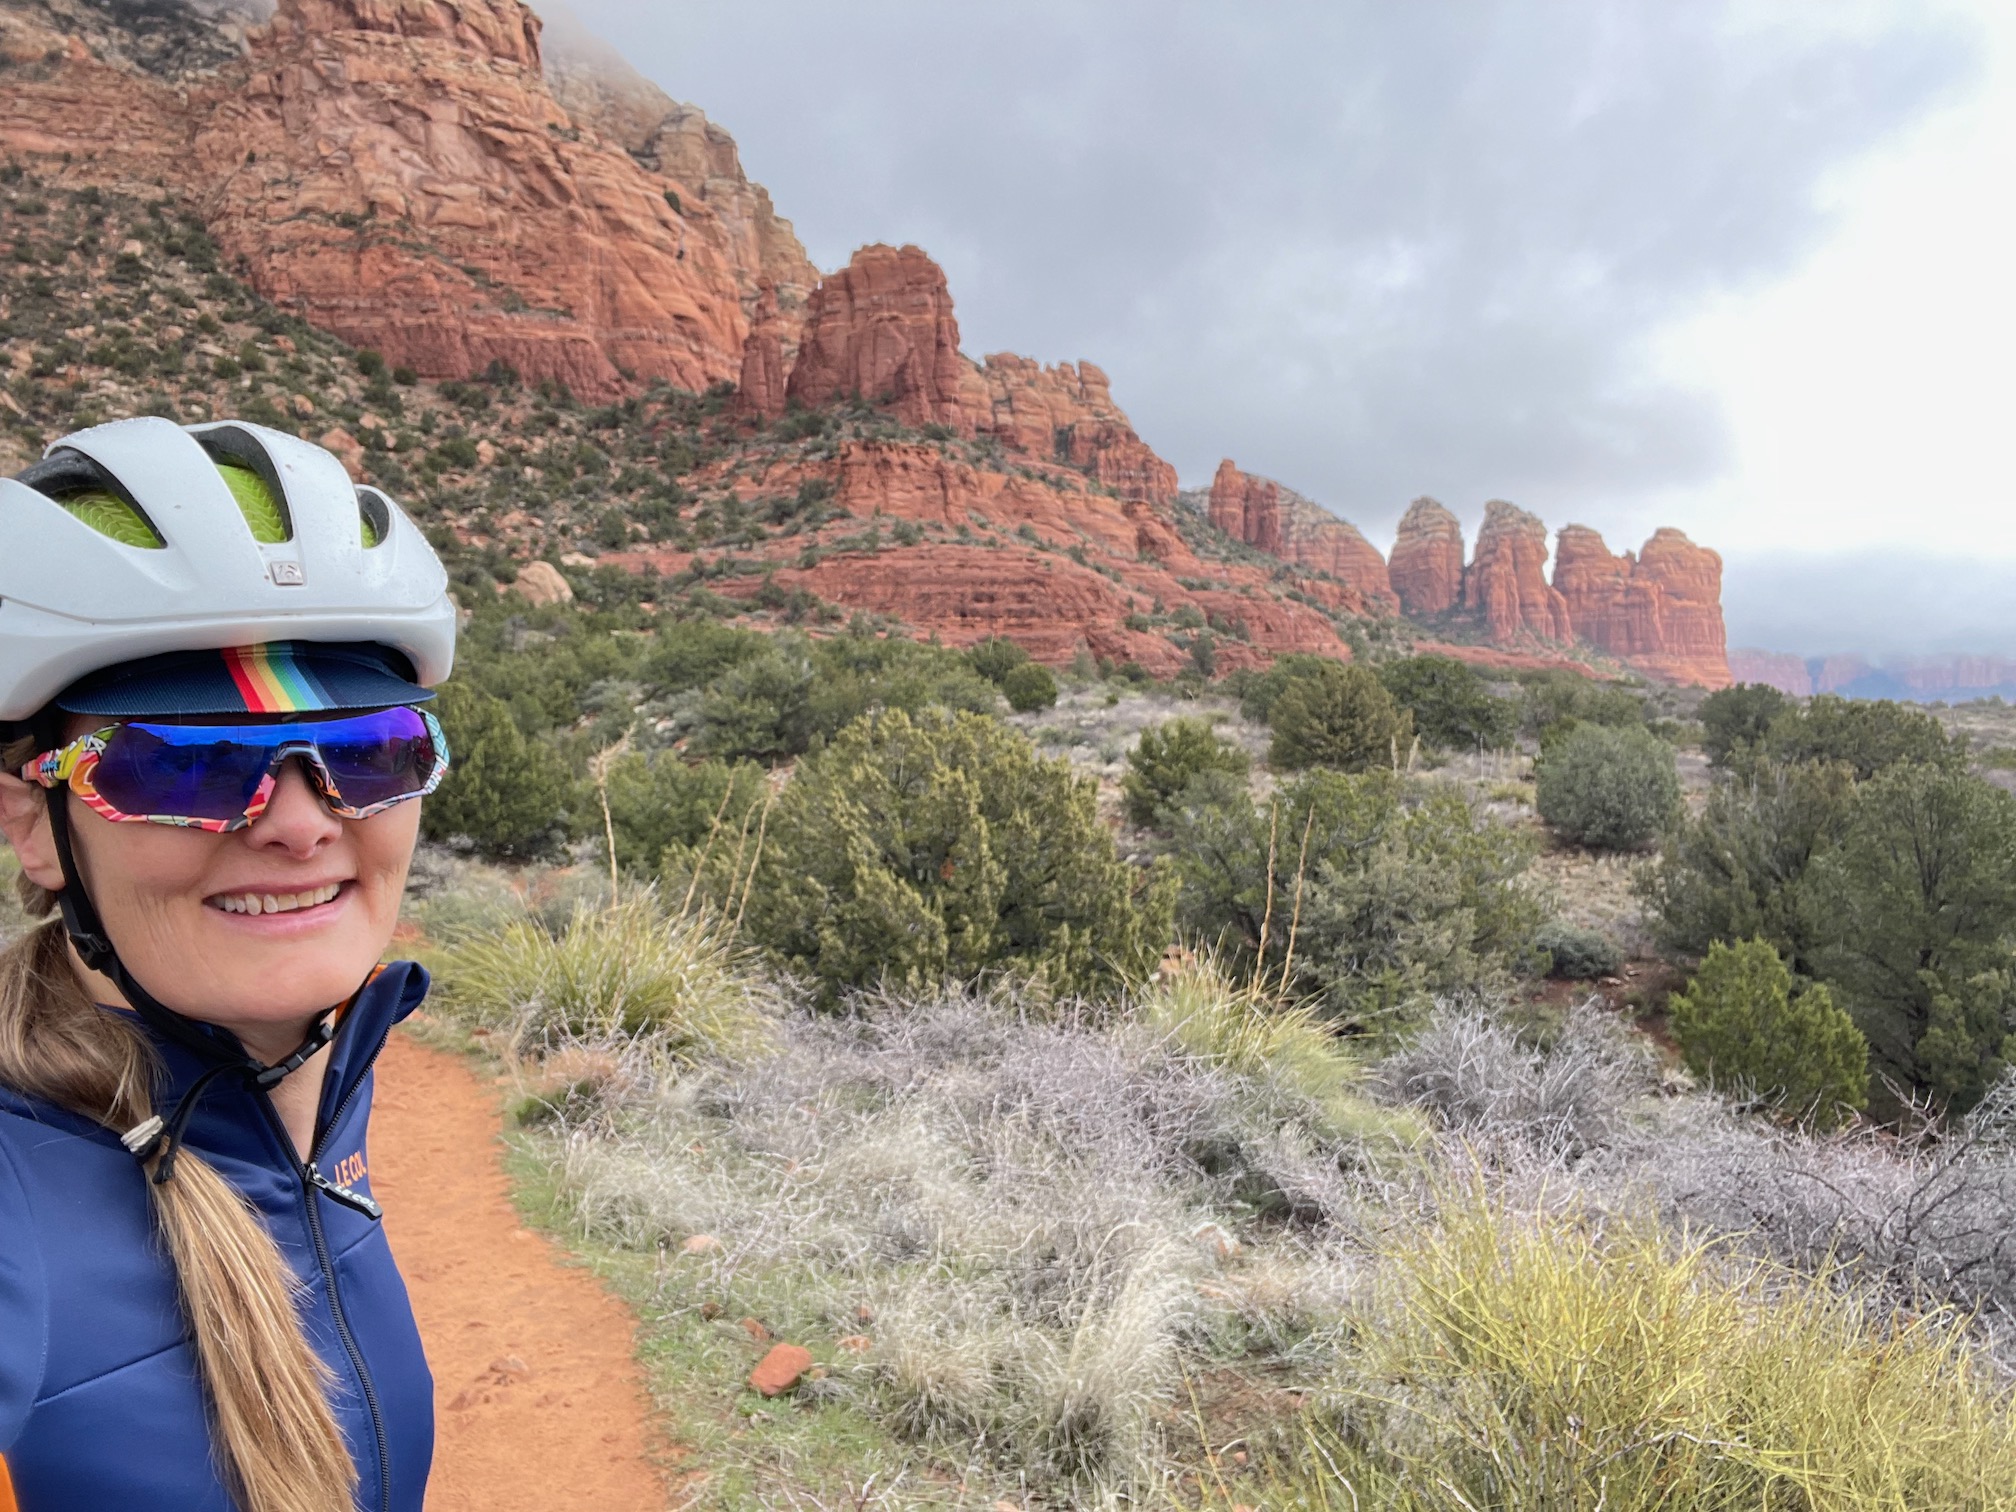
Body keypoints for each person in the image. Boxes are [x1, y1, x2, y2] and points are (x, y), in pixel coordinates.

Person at [0, 417, 458, 1512]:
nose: (302, 826)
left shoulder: (320, 1095)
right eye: (191, 766)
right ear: (30, 826)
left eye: (367, 751)